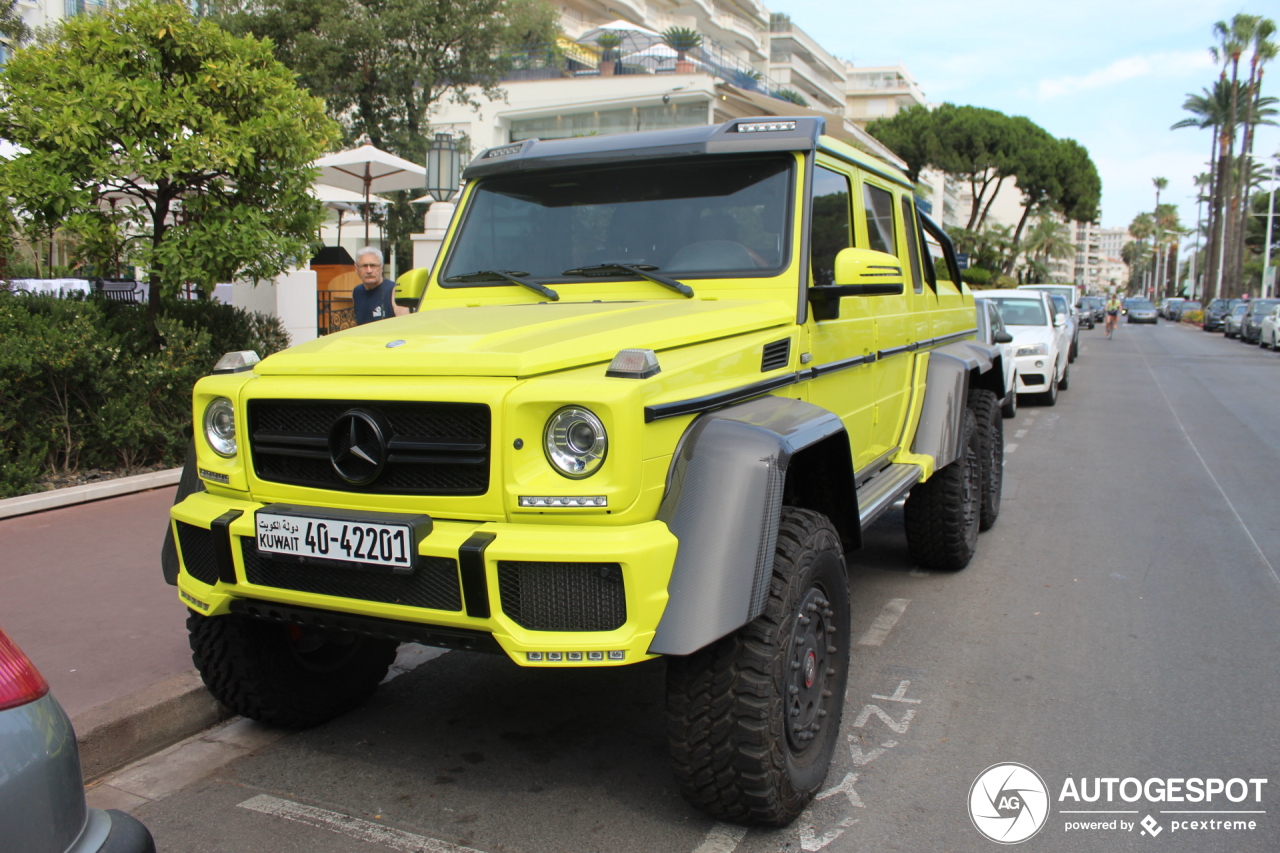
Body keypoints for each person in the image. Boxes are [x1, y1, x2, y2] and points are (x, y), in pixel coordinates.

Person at [351, 247, 408, 325]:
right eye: (364, 266)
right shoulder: (357, 292)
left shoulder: (395, 290)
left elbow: (404, 325)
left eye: (373, 266)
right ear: (356, 268)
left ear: (382, 267)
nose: (369, 271)